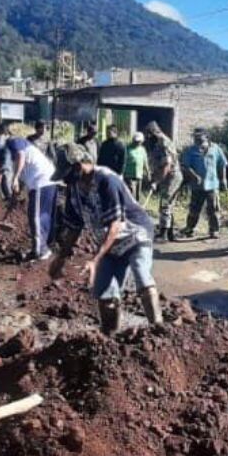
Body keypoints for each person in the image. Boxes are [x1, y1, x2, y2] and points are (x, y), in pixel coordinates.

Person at [49, 143, 163, 333]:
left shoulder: (107, 180)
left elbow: (115, 226)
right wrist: (61, 258)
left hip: (135, 235)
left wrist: (95, 260)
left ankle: (158, 330)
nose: (66, 180)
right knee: (105, 294)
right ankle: (110, 339)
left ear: (78, 166)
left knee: (142, 276)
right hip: (109, 244)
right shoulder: (74, 190)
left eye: (67, 174)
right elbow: (74, 226)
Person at [9, 135, 59, 261]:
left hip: (40, 181)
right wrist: (14, 198)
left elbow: (21, 155)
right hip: (49, 179)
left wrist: (14, 177)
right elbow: (21, 181)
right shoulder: (17, 152)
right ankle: (43, 248)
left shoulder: (15, 141)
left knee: (36, 216)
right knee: (45, 215)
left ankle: (38, 251)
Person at [180, 129, 228, 240]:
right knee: (194, 209)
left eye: (199, 137)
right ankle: (189, 228)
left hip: (212, 184)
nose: (197, 139)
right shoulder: (191, 150)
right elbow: (185, 166)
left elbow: (222, 164)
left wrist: (223, 179)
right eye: (195, 137)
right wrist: (194, 176)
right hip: (197, 186)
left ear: (206, 137)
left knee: (214, 208)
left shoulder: (215, 148)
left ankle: (214, 230)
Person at [143, 121, 181, 242]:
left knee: (165, 203)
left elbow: (167, 165)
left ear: (153, 132)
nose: (148, 137)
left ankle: (163, 234)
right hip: (167, 176)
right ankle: (170, 233)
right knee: (168, 204)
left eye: (149, 134)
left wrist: (157, 181)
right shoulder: (158, 142)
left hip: (171, 176)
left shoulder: (164, 142)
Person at [123, 131, 151, 200]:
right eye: (136, 141)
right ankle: (130, 207)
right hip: (129, 175)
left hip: (139, 175)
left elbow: (145, 162)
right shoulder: (127, 148)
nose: (137, 143)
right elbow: (123, 161)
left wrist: (148, 173)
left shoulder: (142, 150)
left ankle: (136, 207)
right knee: (131, 192)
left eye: (139, 141)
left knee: (138, 194)